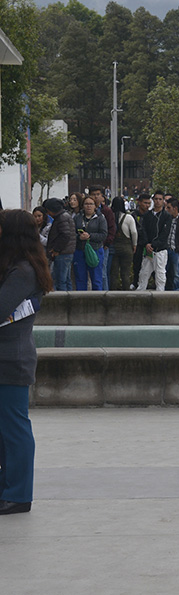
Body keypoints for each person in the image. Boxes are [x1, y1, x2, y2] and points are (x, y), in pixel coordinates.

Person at [0, 210, 54, 515]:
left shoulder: (22, 271)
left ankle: (19, 494)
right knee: (3, 432)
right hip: (5, 358)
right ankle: (6, 487)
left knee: (14, 430)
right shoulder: (13, 266)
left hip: (11, 359)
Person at [136, 192, 170, 291]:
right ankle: (140, 291)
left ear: (163, 201)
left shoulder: (166, 216)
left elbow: (165, 233)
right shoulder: (147, 215)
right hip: (148, 250)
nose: (158, 201)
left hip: (160, 249)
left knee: (160, 274)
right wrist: (146, 244)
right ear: (153, 200)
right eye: (156, 199)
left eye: (160, 199)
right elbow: (143, 230)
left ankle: (160, 293)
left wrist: (154, 244)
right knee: (144, 273)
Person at [73, 195, 107, 291]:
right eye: (86, 204)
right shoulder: (77, 218)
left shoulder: (101, 218)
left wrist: (90, 236)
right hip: (80, 250)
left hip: (95, 250)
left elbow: (104, 235)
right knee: (80, 278)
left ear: (95, 206)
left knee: (96, 279)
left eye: (91, 204)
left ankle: (98, 301)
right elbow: (72, 233)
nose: (88, 206)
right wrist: (79, 237)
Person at [44, 198, 76, 292]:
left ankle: (63, 301)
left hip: (62, 253)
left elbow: (65, 235)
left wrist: (56, 249)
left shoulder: (62, 218)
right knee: (66, 279)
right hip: (66, 252)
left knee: (60, 280)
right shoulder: (64, 216)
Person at [89, 187, 117, 290]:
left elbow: (112, 228)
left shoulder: (106, 211)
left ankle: (104, 294)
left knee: (102, 272)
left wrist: (107, 243)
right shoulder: (86, 210)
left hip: (103, 246)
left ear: (102, 196)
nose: (96, 197)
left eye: (98, 194)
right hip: (88, 246)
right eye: (93, 194)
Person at [109, 197, 138, 291]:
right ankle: (126, 293)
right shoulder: (128, 217)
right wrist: (134, 244)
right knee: (125, 273)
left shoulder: (110, 217)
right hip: (126, 247)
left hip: (113, 247)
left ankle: (112, 293)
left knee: (113, 273)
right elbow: (134, 232)